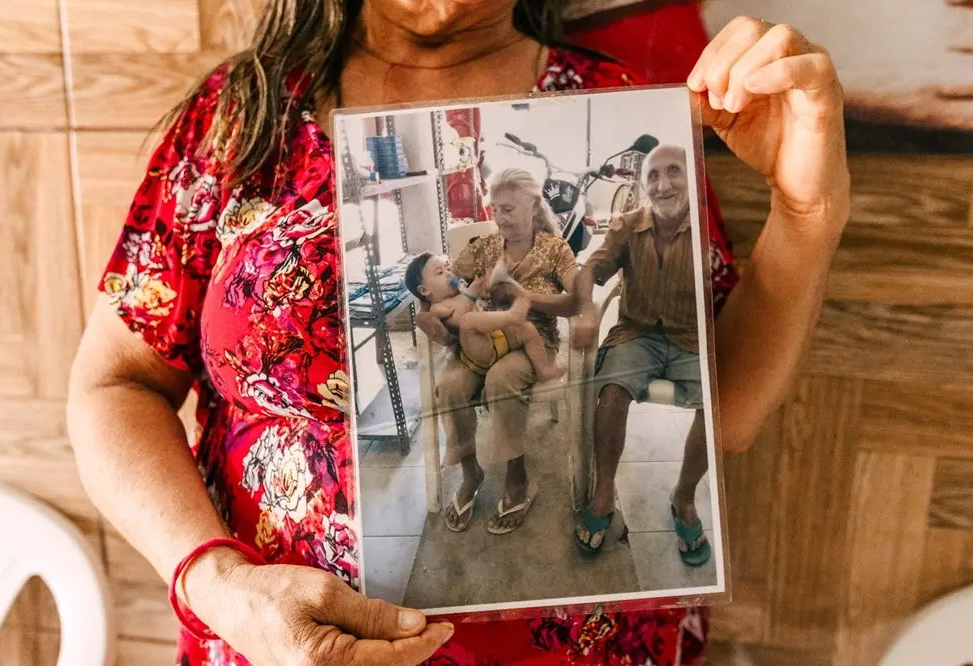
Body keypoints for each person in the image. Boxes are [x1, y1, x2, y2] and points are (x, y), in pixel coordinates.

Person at [64, 0, 849, 662]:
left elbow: (727, 410)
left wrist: (809, 214)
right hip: (269, 644)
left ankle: (510, 478)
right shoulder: (242, 116)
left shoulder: (619, 106)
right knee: (460, 381)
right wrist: (218, 584)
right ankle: (475, 477)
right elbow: (115, 382)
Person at [571, 144, 713, 565]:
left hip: (693, 338)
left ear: (692, 177)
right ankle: (603, 494)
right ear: (642, 184)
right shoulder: (626, 226)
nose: (663, 183)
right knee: (611, 392)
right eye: (653, 175)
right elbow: (587, 271)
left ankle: (684, 497)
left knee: (718, 405)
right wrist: (583, 310)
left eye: (674, 172)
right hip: (637, 334)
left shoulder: (710, 231)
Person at [422, 167, 579, 536]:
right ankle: (470, 471)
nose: (500, 218)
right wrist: (430, 311)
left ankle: (517, 478)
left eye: (509, 209)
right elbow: (441, 280)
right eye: (495, 209)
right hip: (482, 339)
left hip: (530, 340)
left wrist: (524, 297)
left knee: (502, 378)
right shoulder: (486, 247)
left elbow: (576, 300)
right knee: (452, 386)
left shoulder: (555, 249)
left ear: (533, 205)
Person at [403, 252, 565, 388]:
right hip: (478, 352)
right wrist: (471, 294)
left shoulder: (459, 292)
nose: (448, 273)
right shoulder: (437, 307)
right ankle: (512, 315)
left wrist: (483, 286)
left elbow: (482, 300)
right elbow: (460, 320)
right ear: (425, 290)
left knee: (527, 328)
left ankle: (543, 370)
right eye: (440, 273)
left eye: (446, 268)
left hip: (497, 338)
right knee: (468, 321)